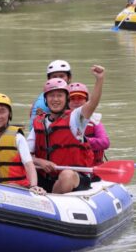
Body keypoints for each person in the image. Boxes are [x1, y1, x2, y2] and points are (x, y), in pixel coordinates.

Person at [28, 65, 106, 194]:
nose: (56, 99)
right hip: (46, 178)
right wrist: (39, 161)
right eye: (51, 96)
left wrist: (99, 80)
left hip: (75, 178)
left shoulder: (75, 118)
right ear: (46, 100)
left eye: (59, 96)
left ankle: (50, 203)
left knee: (67, 175)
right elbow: (26, 155)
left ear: (66, 99)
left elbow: (92, 104)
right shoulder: (39, 122)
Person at [68, 82, 110, 165]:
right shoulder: (59, 120)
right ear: (67, 102)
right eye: (72, 98)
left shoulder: (95, 121)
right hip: (70, 167)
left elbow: (105, 142)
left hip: (93, 169)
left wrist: (83, 140)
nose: (76, 101)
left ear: (86, 100)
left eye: (80, 98)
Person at [29, 59, 73, 130]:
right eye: (54, 76)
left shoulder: (76, 94)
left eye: (62, 76)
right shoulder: (42, 103)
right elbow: (34, 129)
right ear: (48, 79)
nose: (59, 79)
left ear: (69, 78)